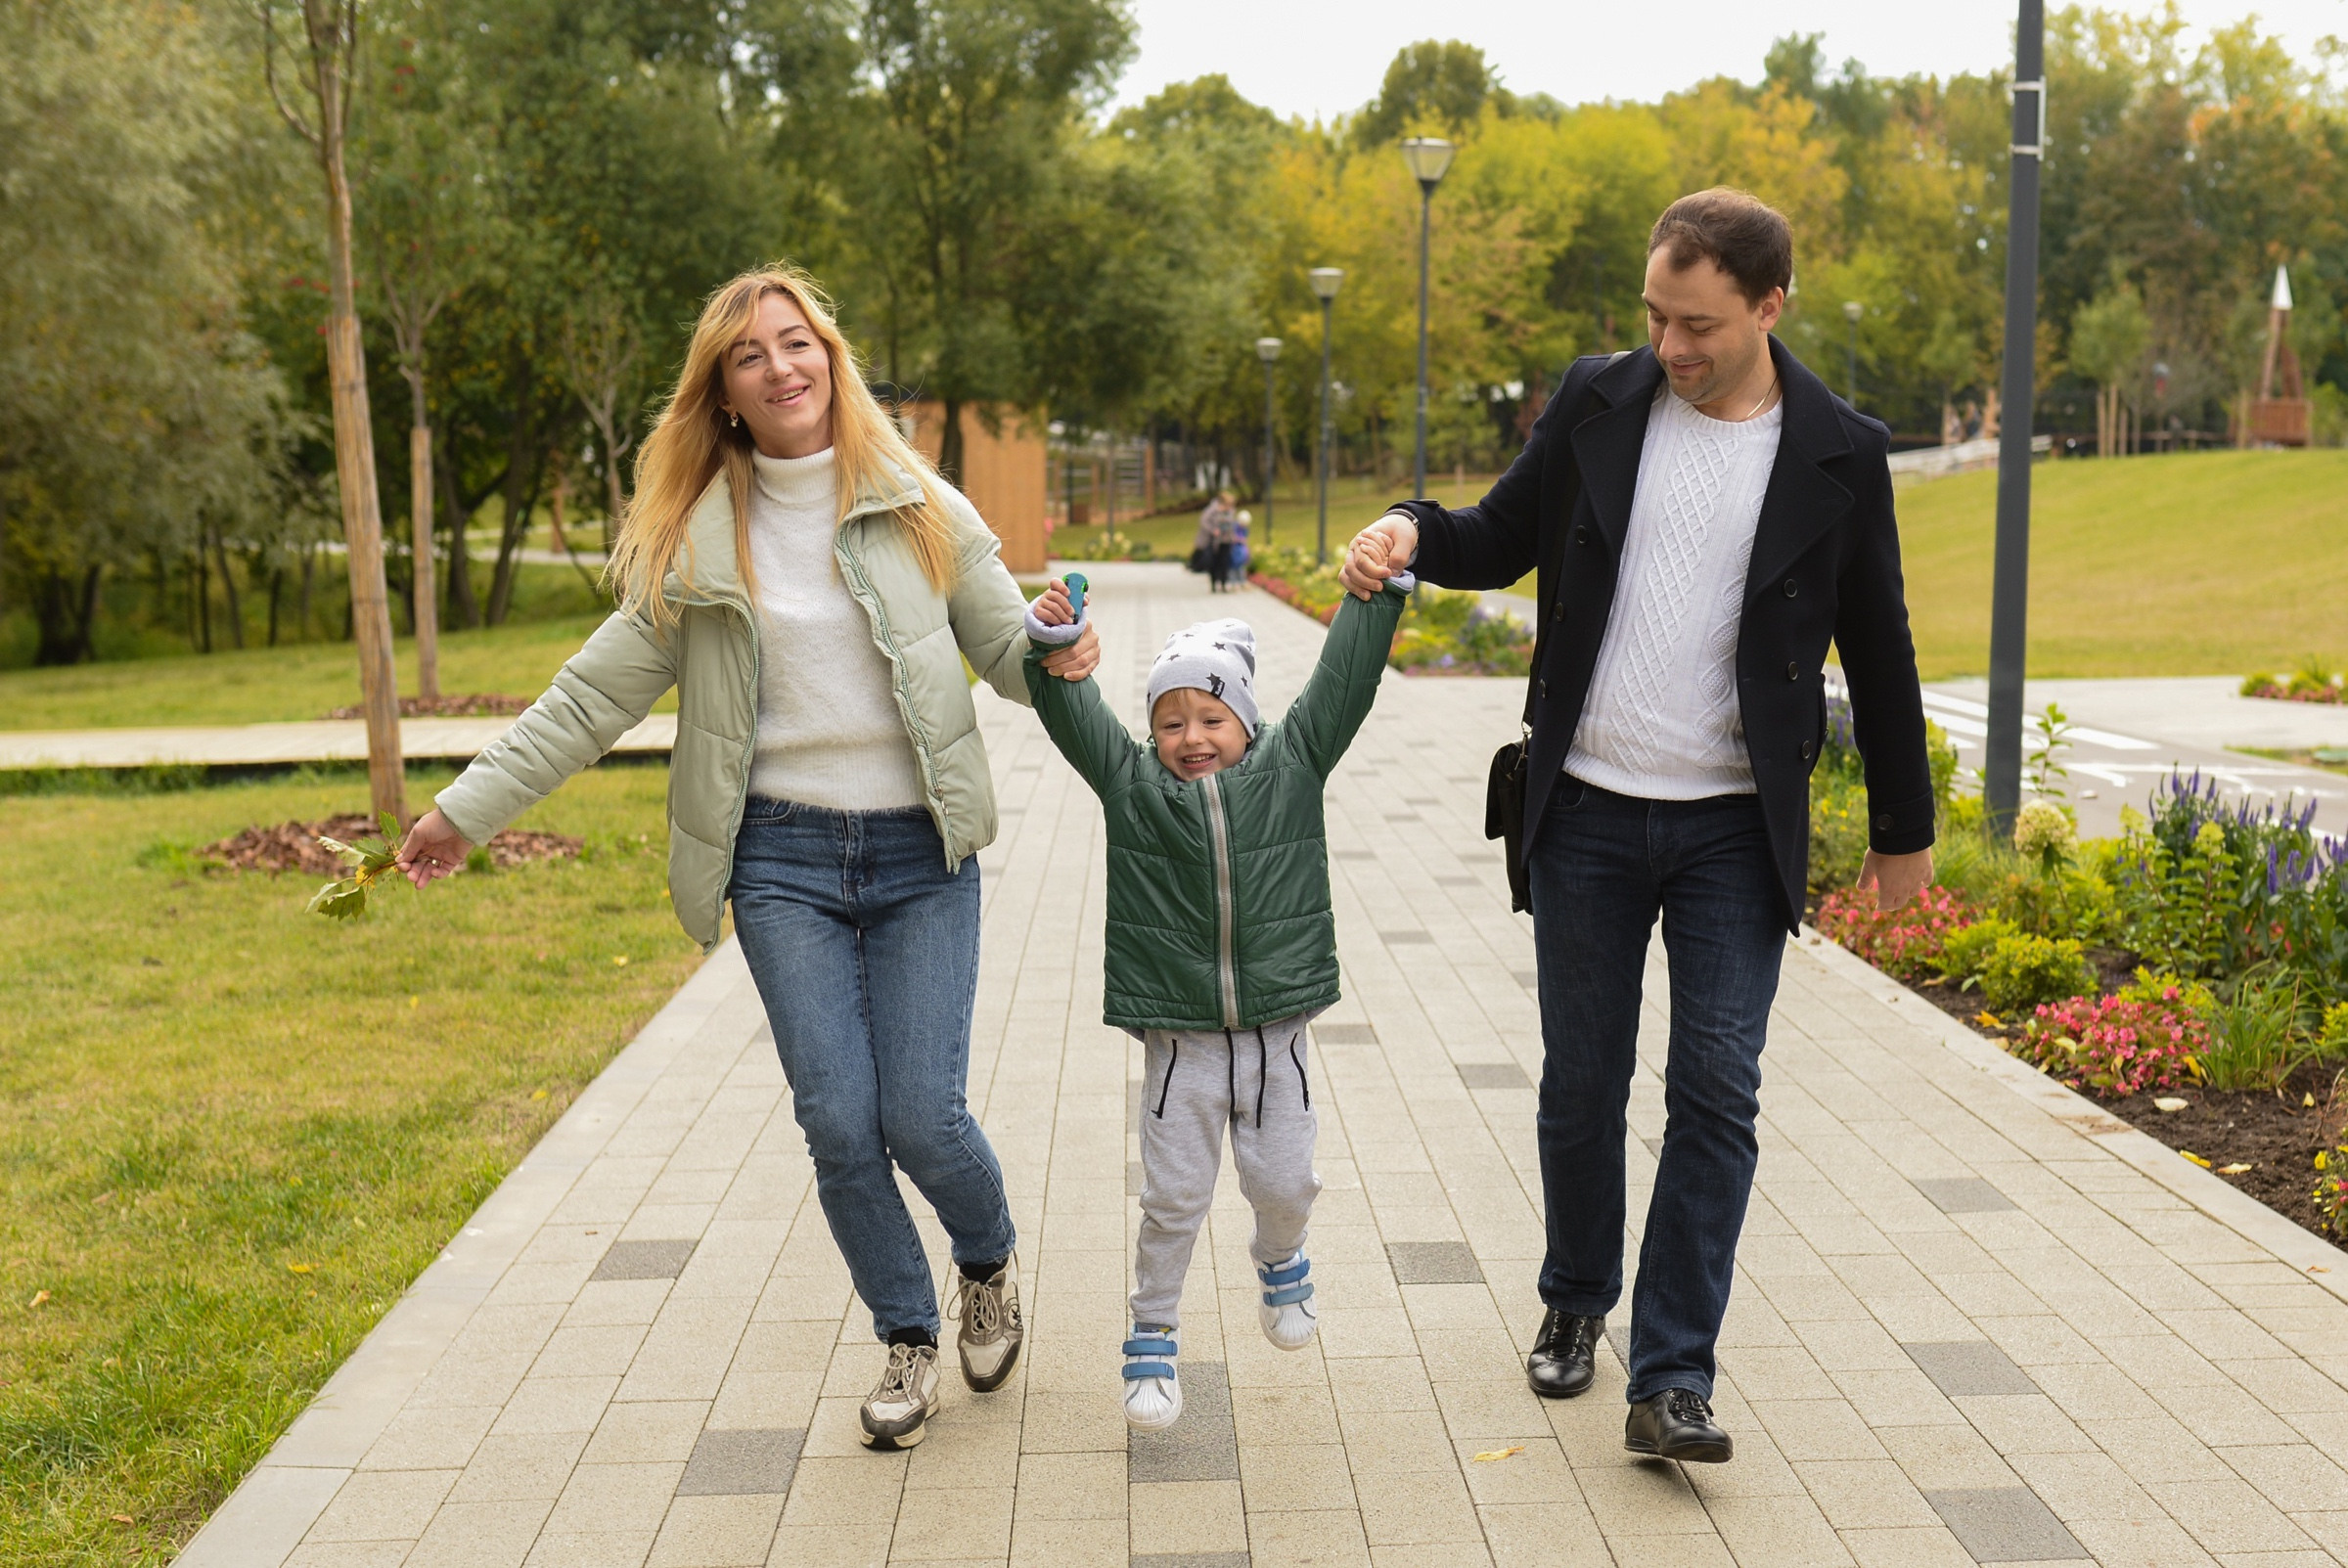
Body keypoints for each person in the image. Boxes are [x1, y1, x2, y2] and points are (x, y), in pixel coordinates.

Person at [393, 264, 1101, 1454]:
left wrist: (1060, 647)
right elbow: (582, 703)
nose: (782, 367)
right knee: (836, 1116)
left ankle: (986, 1261)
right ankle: (908, 1334)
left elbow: (1009, 653)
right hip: (779, 860)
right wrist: (466, 810)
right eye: (751, 355)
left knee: (921, 1116)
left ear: (831, 357)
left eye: (799, 343)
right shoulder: (695, 545)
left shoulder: (920, 503)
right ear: (721, 392)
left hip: (920, 849)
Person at [1339, 189, 1934, 1463]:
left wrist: (1903, 825)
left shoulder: (1837, 447)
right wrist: (1409, 529)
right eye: (1658, 313)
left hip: (1734, 823)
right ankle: (1573, 1292)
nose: (1671, 342)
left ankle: (1672, 1372)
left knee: (1717, 1088)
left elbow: (1878, 644)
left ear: (1770, 306)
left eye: (1700, 322)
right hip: (1590, 810)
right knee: (1580, 1082)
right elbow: (1499, 536)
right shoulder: (1600, 398)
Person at [1019, 566, 1412, 1429]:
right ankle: (1152, 1335)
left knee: (1287, 1182)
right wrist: (1052, 641)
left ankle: (1283, 1259)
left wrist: (1377, 595)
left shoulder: (1293, 762)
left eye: (1210, 718)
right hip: (1181, 1052)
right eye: (1169, 721)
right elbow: (1068, 711)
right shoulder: (1134, 787)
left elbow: (1344, 680)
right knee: (1173, 1200)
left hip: (1277, 1043)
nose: (1191, 737)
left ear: (1245, 720)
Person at [1198, 490, 1240, 591]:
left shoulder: (1230, 511)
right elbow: (1203, 522)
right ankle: (1213, 584)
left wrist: (1233, 536)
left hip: (1227, 540)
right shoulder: (1212, 510)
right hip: (1214, 541)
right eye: (1227, 505)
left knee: (1224, 562)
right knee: (1214, 562)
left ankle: (1224, 583)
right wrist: (1213, 530)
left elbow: (1232, 524)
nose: (1229, 507)